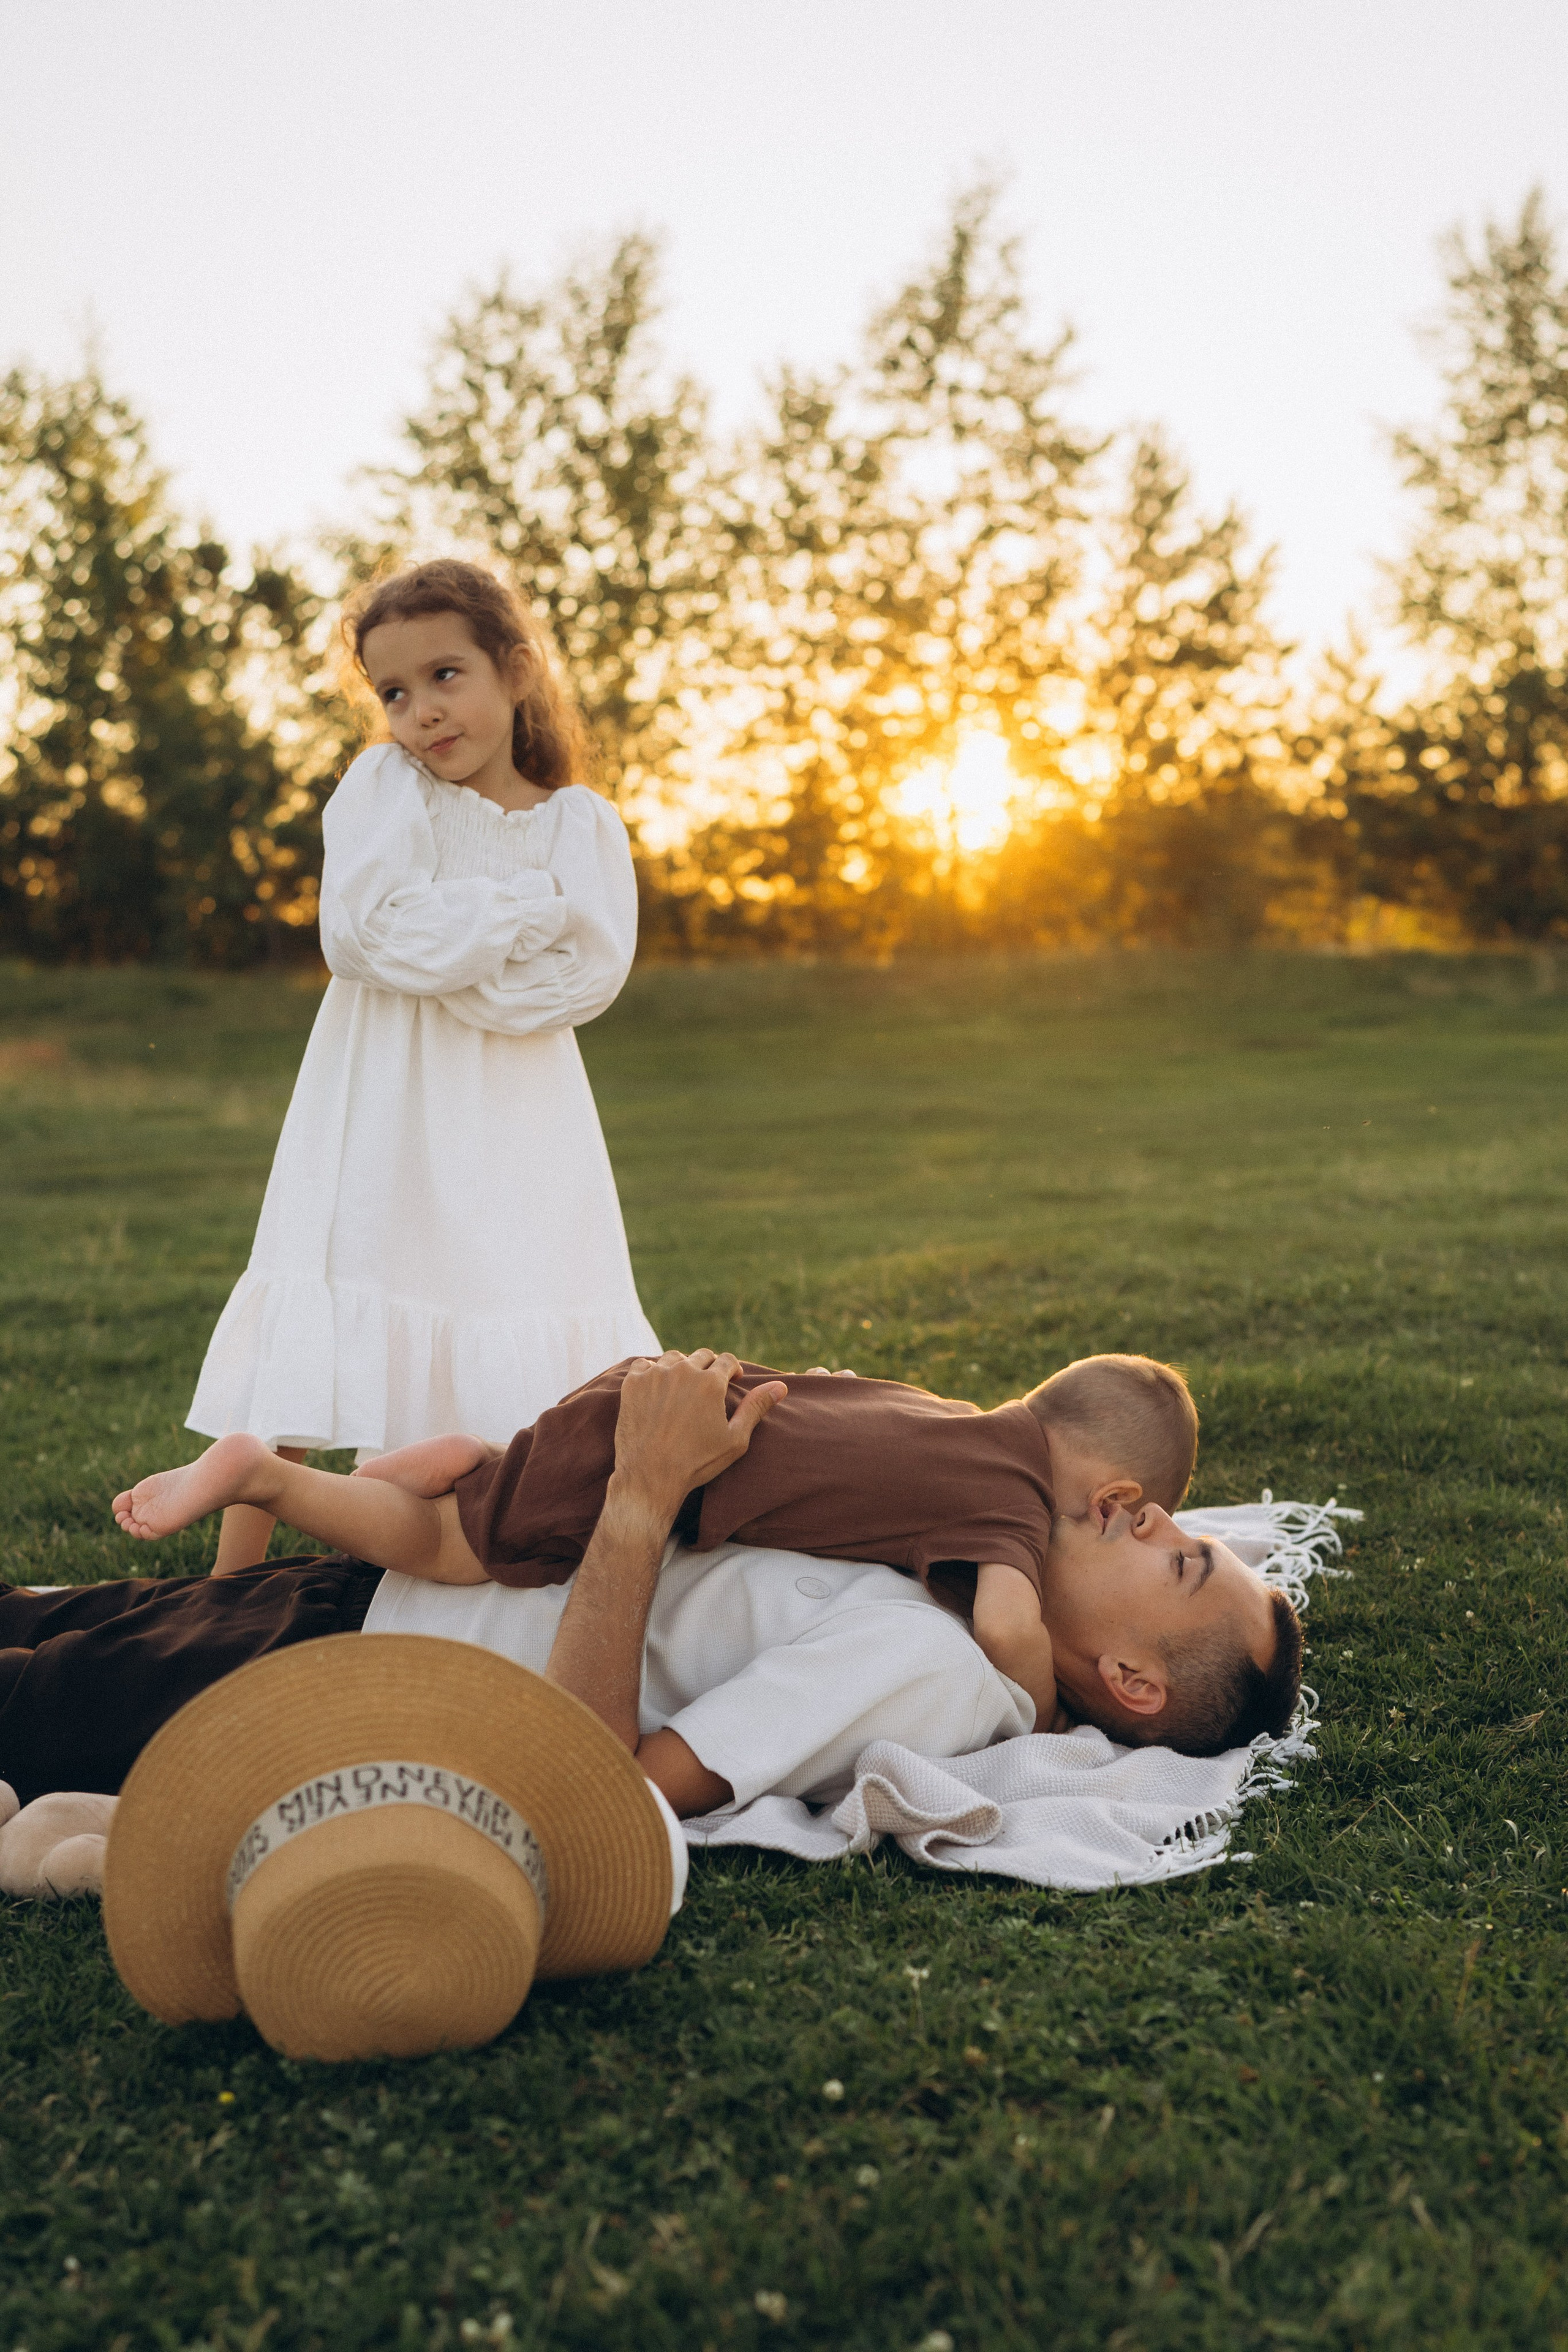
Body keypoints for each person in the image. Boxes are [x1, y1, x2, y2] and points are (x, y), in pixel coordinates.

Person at [7, 1353, 1300, 1819]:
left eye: (1176, 1557)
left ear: (1130, 1680)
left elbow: (603, 1786)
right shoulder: (962, 1566)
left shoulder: (938, 1667)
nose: (1145, 1522)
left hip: (348, 1685)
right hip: (349, 1600)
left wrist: (639, 1487)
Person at [184, 559, 659, 1575]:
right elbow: (361, 934)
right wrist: (525, 912)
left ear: (516, 669)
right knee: (340, 1295)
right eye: (393, 693)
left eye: (446, 676)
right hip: (382, 1102)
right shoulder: (383, 787)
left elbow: (581, 979)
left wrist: (450, 948)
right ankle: (224, 1596)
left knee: (504, 1302)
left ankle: (415, 1574)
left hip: (519, 1120)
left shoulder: (582, 825)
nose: (421, 715)